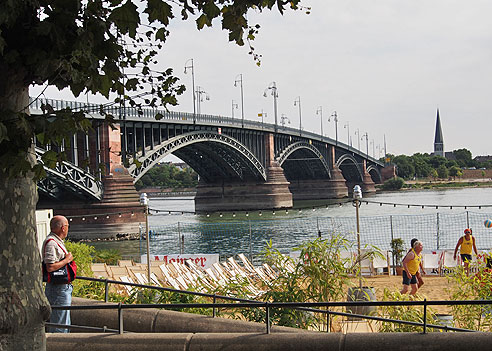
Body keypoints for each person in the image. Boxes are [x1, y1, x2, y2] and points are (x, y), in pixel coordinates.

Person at [42, 215, 74, 333]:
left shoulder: (56, 241)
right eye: (67, 226)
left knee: (63, 323)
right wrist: (67, 260)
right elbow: (49, 267)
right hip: (58, 289)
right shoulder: (51, 243)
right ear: (62, 228)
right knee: (60, 325)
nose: (67, 229)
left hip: (62, 288)